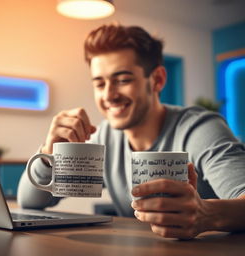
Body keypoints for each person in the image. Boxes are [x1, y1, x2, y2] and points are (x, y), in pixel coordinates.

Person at [18, 23, 245, 239]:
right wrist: (49, 154)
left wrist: (207, 214)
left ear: (157, 79)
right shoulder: (103, 138)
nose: (108, 95)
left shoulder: (199, 130)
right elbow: (29, 202)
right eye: (99, 83)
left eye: (123, 79)